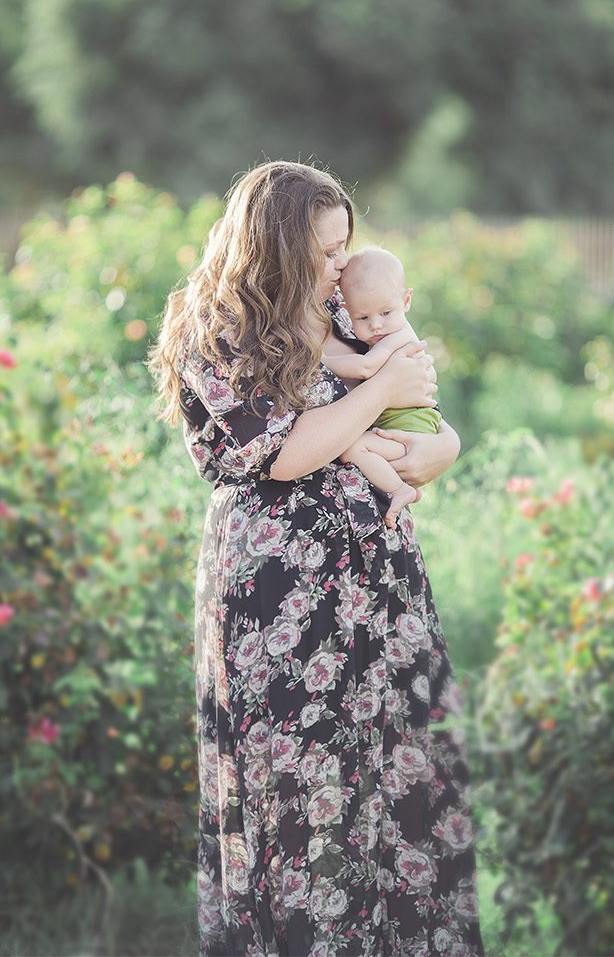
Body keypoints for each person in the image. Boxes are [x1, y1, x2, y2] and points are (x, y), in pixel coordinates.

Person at [149, 161, 482, 956]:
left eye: (344, 248)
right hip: (280, 590)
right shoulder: (214, 326)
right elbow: (287, 452)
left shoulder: (341, 308)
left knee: (403, 779)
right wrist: (375, 395)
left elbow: (424, 409)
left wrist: (441, 449)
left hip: (378, 575)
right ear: (277, 244)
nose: (341, 266)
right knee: (299, 792)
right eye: (326, 252)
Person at [318, 247, 445, 524]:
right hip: (402, 425)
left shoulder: (399, 335)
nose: (376, 325)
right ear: (347, 310)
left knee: (353, 448)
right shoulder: (386, 327)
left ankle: (400, 491)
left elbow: (366, 366)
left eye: (386, 312)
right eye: (363, 318)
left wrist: (320, 361)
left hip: (412, 429)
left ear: (406, 300)